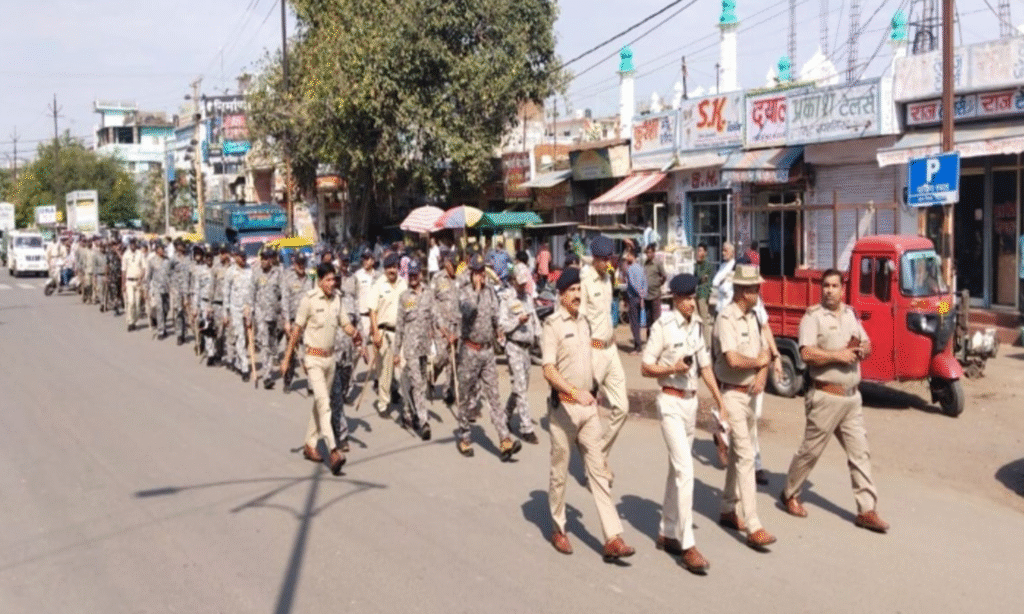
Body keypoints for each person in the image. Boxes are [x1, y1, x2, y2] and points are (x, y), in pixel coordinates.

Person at [780, 269, 890, 533]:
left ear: (842, 289)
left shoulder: (851, 314)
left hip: (852, 398)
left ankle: (867, 510)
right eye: (825, 286)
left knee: (860, 452)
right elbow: (806, 353)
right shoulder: (813, 317)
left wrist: (865, 348)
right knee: (811, 451)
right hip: (826, 396)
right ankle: (790, 493)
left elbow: (867, 342)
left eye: (834, 286)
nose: (829, 290)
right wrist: (837, 356)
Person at [542, 266, 636, 561]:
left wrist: (594, 389)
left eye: (579, 291)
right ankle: (558, 527)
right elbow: (548, 369)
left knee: (598, 473)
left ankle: (613, 537)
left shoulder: (585, 323)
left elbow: (591, 359)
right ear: (560, 295)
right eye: (572, 291)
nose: (577, 296)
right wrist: (573, 392)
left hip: (588, 409)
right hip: (564, 411)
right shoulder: (553, 325)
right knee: (560, 474)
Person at [641, 273, 726, 574]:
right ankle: (687, 543)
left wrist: (720, 401)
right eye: (688, 298)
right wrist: (671, 367)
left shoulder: (698, 326)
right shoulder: (663, 327)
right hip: (670, 402)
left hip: (690, 403)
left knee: (675, 469)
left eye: (694, 298)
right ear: (676, 299)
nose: (692, 303)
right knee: (686, 470)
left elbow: (704, 365)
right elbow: (645, 366)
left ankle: (666, 529)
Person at [713, 263, 777, 551]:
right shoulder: (727, 318)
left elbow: (764, 351)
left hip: (750, 393)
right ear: (740, 290)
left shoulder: (753, 317)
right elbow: (733, 360)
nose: (757, 292)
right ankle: (753, 524)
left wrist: (763, 371)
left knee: (741, 452)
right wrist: (760, 364)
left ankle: (728, 508)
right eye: (753, 288)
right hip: (733, 394)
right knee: (747, 455)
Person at [280, 262, 359, 475]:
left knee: (319, 405)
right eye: (328, 280)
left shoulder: (337, 299)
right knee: (325, 404)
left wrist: (356, 335)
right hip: (313, 360)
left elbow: (345, 324)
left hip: (330, 360)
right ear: (320, 280)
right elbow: (297, 331)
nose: (332, 283)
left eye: (334, 280)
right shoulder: (309, 300)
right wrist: (287, 359)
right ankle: (333, 451)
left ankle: (309, 444)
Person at [454, 253, 522, 461]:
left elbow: (494, 314)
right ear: (472, 273)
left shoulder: (491, 291)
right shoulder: (465, 292)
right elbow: (467, 311)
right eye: (478, 272)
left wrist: (499, 329)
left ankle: (504, 439)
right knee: (465, 397)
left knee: (494, 396)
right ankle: (465, 436)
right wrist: (475, 290)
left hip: (487, 351)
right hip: (469, 351)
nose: (481, 276)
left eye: (483, 272)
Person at [580, 236, 629, 458]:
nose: (608, 263)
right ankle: (594, 463)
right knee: (588, 410)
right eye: (605, 259)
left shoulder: (607, 278)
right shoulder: (585, 280)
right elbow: (580, 320)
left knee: (623, 409)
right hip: (594, 351)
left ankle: (598, 454)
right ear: (595, 259)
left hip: (611, 350)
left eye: (610, 258)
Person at [499, 263, 541, 444]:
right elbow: (502, 326)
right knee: (521, 388)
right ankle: (526, 428)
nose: (524, 286)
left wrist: (542, 342)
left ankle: (505, 415)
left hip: (526, 349)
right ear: (513, 281)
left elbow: (535, 323)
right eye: (521, 283)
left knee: (519, 387)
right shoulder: (507, 299)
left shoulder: (528, 298)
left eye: (526, 283)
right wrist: (517, 320)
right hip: (514, 347)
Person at [394, 259, 434, 440]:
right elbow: (400, 326)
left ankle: (408, 411)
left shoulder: (429, 294)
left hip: (424, 346)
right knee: (417, 383)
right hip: (410, 347)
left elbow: (435, 317)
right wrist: (396, 352)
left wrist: (443, 333)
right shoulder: (404, 297)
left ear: (421, 274)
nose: (413, 278)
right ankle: (423, 421)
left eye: (416, 274)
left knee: (421, 383)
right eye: (410, 275)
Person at [329, 249, 360, 452]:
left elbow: (356, 321)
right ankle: (341, 435)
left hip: (348, 353)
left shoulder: (348, 298)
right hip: (331, 355)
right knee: (336, 395)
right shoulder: (324, 300)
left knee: (341, 394)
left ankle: (332, 424)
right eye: (333, 279)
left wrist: (361, 342)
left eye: (338, 279)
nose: (336, 282)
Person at [369, 252, 407, 415]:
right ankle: (383, 403)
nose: (392, 270)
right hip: (383, 332)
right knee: (384, 371)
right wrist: (375, 333)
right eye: (389, 267)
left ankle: (406, 403)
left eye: (394, 267)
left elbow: (410, 304)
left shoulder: (403, 284)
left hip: (400, 333)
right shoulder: (378, 285)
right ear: (385, 269)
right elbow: (373, 310)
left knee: (404, 369)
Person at [431, 249, 460, 407]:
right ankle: (432, 376)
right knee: (442, 356)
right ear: (446, 262)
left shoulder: (460, 278)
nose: (453, 268)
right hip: (440, 324)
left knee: (452, 359)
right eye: (451, 264)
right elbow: (431, 302)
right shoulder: (437, 278)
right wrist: (437, 325)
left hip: (456, 325)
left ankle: (448, 390)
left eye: (456, 265)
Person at [251, 248, 283, 389]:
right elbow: (251, 292)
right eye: (262, 258)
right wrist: (249, 310)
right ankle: (267, 375)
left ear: (271, 260)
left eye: (266, 259)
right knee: (265, 344)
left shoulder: (278, 274)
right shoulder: (256, 273)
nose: (263, 261)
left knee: (272, 343)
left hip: (274, 315)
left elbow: (283, 294)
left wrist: (282, 311)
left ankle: (271, 363)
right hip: (261, 314)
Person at [225, 249, 254, 381]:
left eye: (244, 256)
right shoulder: (230, 271)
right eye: (240, 257)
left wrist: (251, 307)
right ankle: (244, 367)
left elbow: (253, 289)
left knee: (248, 338)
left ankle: (238, 360)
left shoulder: (250, 270)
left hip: (248, 308)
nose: (243, 259)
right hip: (235, 309)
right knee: (240, 336)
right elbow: (226, 292)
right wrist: (226, 312)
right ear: (235, 257)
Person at [643, 243, 667, 342]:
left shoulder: (658, 264)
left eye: (650, 252)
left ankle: (657, 341)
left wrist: (658, 284)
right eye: (647, 253)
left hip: (655, 295)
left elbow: (664, 276)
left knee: (656, 320)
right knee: (648, 321)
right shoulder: (645, 264)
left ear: (653, 253)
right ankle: (649, 340)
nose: (648, 255)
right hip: (646, 296)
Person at [624, 248, 647, 354]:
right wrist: (642, 295)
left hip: (633, 298)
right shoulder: (641, 268)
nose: (626, 258)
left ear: (632, 256)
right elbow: (645, 283)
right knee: (637, 321)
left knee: (634, 323)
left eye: (628, 256)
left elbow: (632, 284)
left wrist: (638, 293)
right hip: (640, 298)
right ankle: (638, 346)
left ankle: (637, 347)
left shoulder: (630, 269)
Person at [147, 243, 172, 339]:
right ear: (157, 250)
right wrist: (147, 289)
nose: (163, 251)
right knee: (160, 308)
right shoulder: (152, 261)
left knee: (166, 309)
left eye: (163, 249)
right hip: (157, 288)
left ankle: (162, 323)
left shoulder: (168, 260)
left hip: (166, 288)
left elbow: (171, 273)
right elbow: (149, 276)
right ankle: (161, 331)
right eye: (161, 249)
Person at [122, 237, 146, 331]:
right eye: (131, 243)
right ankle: (130, 322)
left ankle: (135, 321)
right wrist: (123, 284)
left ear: (136, 244)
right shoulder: (125, 255)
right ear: (129, 244)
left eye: (134, 243)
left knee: (137, 303)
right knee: (131, 302)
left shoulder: (140, 254)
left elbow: (144, 268)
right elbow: (123, 270)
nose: (133, 245)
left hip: (138, 281)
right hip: (129, 282)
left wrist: (141, 278)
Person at [712, 242, 736, 316]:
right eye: (723, 250)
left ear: (732, 253)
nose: (723, 253)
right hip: (720, 305)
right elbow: (715, 282)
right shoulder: (722, 265)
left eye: (726, 251)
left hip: (728, 306)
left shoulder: (735, 266)